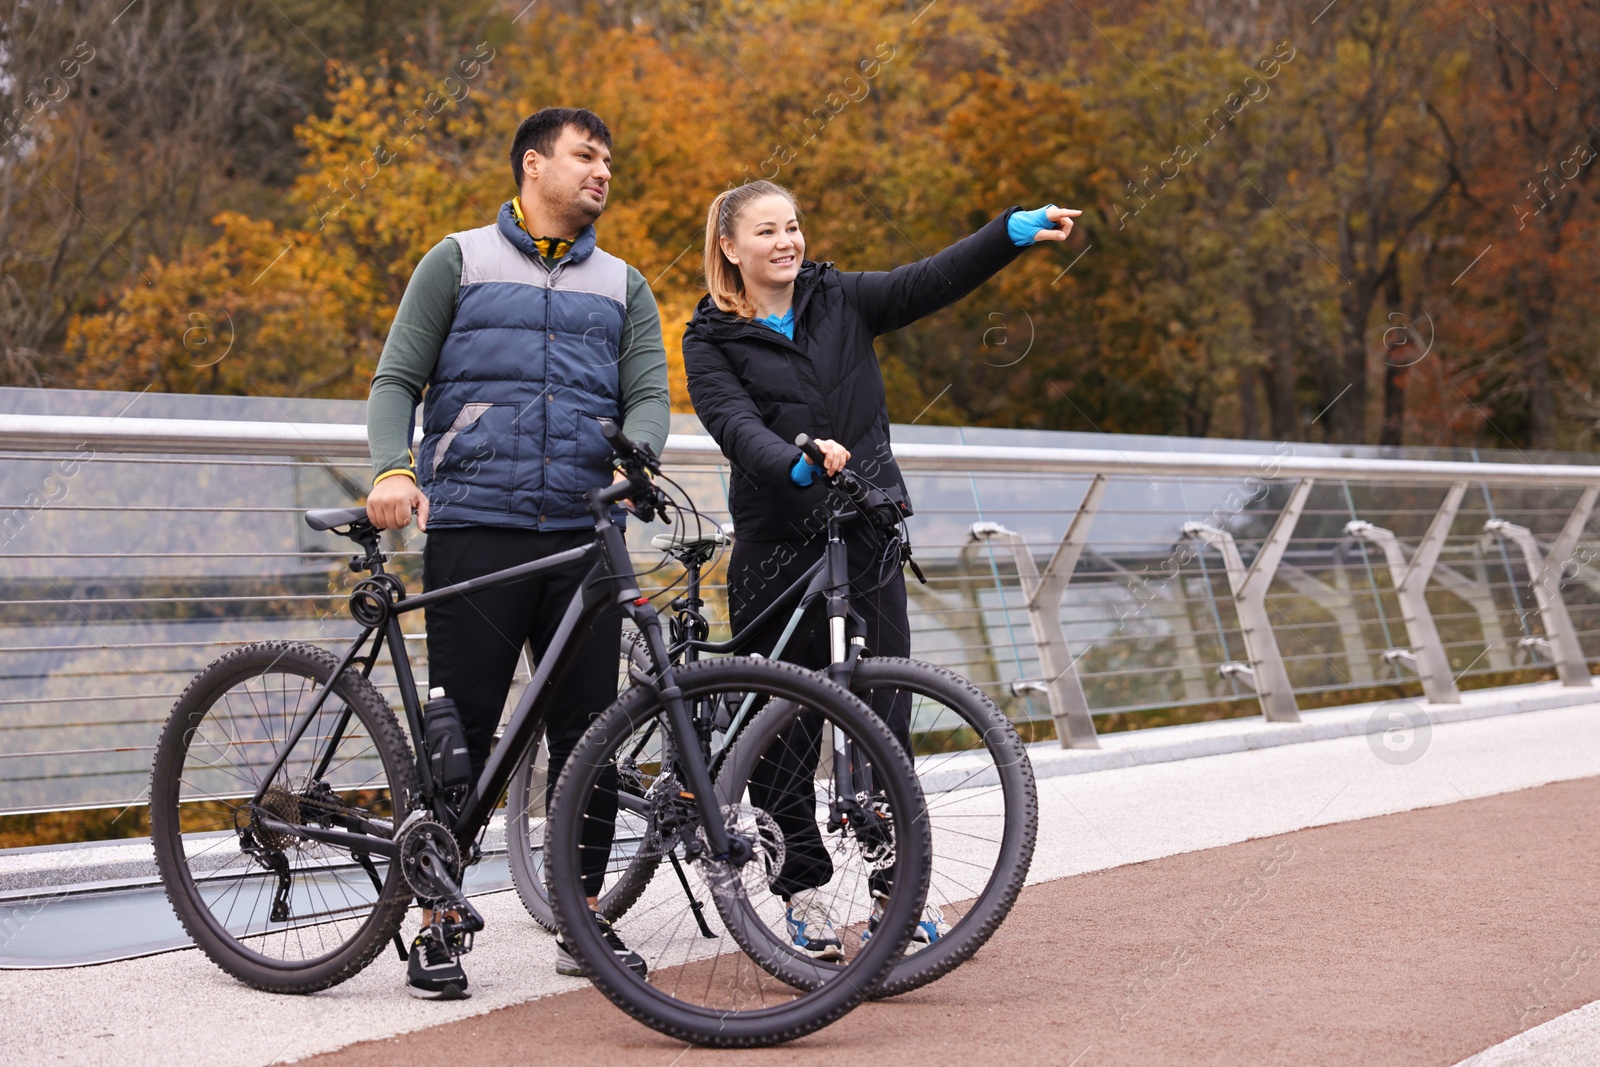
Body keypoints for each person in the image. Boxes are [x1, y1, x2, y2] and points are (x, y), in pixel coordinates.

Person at [682, 180, 1077, 958]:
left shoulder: (843, 299)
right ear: (730, 248)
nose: (787, 241)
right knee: (783, 728)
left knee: (884, 717)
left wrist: (1010, 232)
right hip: (776, 545)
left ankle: (898, 893)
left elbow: (931, 278)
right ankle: (800, 895)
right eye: (767, 231)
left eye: (793, 225)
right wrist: (795, 464)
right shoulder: (711, 337)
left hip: (865, 536)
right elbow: (732, 424)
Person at [365, 107, 670, 999]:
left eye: (608, 158)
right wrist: (392, 465)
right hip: (475, 529)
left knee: (593, 738)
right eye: (585, 156)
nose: (601, 171)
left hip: (585, 538)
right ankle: (437, 921)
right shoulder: (457, 259)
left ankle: (586, 917)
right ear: (534, 165)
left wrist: (636, 457)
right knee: (460, 729)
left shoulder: (625, 285)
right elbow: (397, 379)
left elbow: (647, 395)